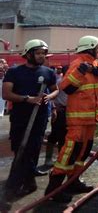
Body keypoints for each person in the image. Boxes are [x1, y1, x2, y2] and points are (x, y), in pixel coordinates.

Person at [45, 36, 98, 202]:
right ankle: (53, 188)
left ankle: (73, 182)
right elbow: (67, 88)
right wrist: (81, 72)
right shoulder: (77, 64)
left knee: (82, 153)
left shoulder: (95, 64)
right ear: (90, 48)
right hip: (77, 120)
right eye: (97, 48)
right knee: (69, 152)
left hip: (91, 120)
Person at [2, 40, 58, 201]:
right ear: (28, 54)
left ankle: (27, 181)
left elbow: (55, 90)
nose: (42, 56)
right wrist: (28, 99)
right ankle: (18, 183)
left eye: (43, 53)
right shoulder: (14, 72)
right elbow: (6, 94)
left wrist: (49, 97)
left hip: (39, 118)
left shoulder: (48, 72)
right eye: (38, 53)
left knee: (33, 148)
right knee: (20, 148)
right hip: (20, 117)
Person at [42, 65, 68, 167]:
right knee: (56, 136)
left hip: (69, 112)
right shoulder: (60, 82)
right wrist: (54, 109)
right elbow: (52, 95)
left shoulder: (73, 82)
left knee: (64, 137)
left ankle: (60, 159)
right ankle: (50, 160)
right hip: (60, 111)